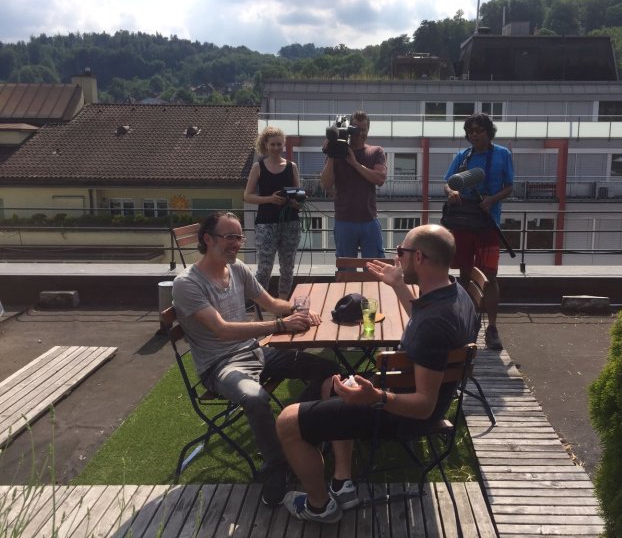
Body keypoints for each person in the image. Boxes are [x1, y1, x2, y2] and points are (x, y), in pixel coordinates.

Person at [275, 224, 479, 524]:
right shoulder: (455, 294)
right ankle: (342, 482)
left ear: (419, 257)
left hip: (406, 418)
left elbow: (423, 405)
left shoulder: (435, 321)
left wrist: (375, 396)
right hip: (408, 394)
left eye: (401, 252)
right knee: (332, 384)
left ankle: (320, 507)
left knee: (287, 422)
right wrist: (397, 285)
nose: (396, 258)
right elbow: (423, 324)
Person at [171, 211, 340, 506]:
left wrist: (298, 310)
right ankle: (277, 466)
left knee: (328, 370)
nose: (236, 243)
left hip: (255, 352)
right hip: (220, 366)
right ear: (207, 239)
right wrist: (279, 325)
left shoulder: (237, 268)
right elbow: (222, 331)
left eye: (239, 236)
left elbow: (272, 303)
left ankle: (302, 434)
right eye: (229, 236)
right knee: (255, 398)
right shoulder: (187, 284)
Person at [443, 113, 514, 351]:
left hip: (488, 224)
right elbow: (448, 182)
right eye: (470, 131)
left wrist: (491, 200)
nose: (474, 135)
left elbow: (509, 186)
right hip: (463, 224)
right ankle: (465, 325)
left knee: (490, 277)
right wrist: (451, 192)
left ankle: (491, 328)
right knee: (463, 276)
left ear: (489, 131)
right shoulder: (463, 156)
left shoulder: (503, 154)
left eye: (479, 130)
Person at [244, 126, 302, 299]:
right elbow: (247, 196)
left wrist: (295, 202)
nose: (276, 148)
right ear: (266, 145)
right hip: (266, 223)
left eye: (279, 144)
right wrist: (269, 199)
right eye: (273, 144)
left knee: (287, 267)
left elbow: (299, 197)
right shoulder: (258, 167)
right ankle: (259, 311)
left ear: (283, 145)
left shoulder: (292, 167)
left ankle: (282, 306)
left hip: (290, 223)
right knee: (263, 269)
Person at [320, 110, 387, 260]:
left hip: (369, 219)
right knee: (345, 270)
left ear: (368, 130)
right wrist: (332, 152)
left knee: (374, 269)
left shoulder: (376, 151)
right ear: (349, 128)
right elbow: (325, 184)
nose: (360, 133)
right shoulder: (338, 152)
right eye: (356, 128)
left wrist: (355, 164)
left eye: (364, 129)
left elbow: (380, 179)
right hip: (344, 220)